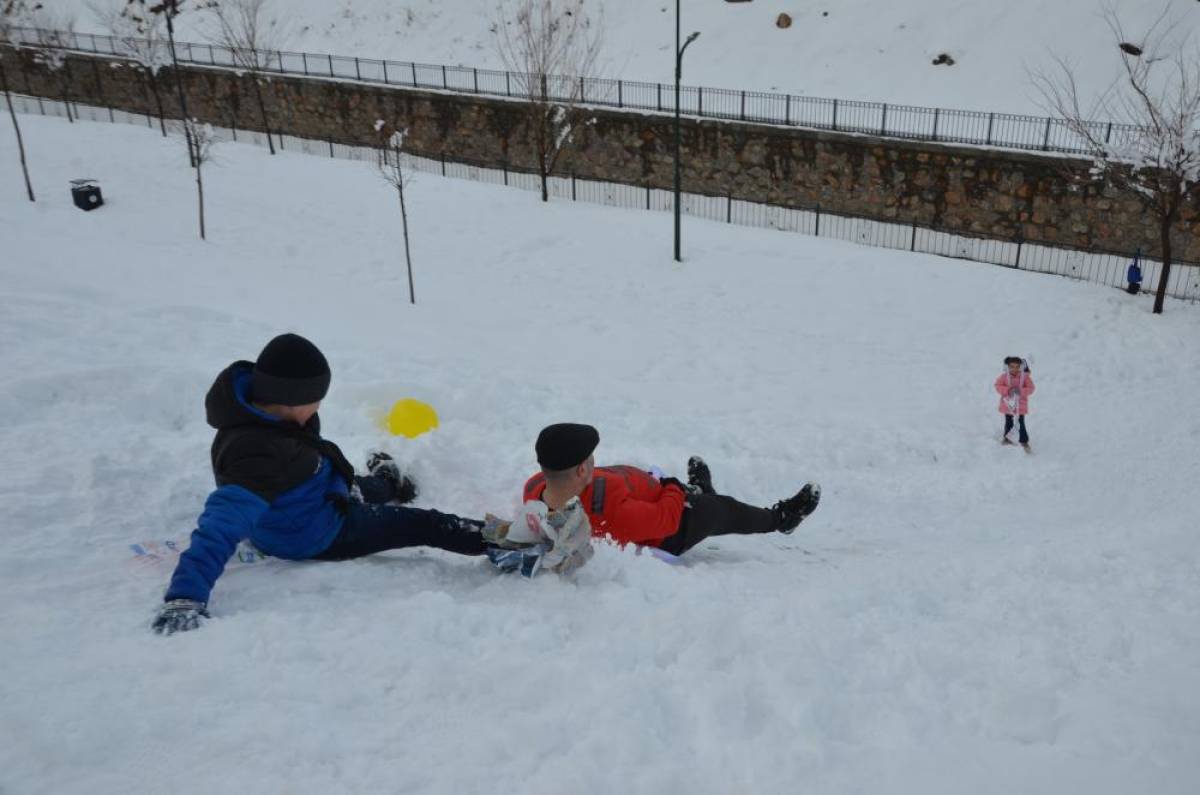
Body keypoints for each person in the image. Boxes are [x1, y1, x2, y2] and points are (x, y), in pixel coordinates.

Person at [152, 333, 488, 635]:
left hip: (316, 493)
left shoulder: (267, 414)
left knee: (367, 488)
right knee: (424, 524)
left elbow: (299, 462)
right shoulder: (254, 457)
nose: (319, 407)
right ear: (291, 400)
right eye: (316, 399)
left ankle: (387, 483)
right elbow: (219, 528)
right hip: (317, 532)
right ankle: (499, 541)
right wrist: (185, 596)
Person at [518, 423, 821, 557]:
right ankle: (781, 519)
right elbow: (667, 519)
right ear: (582, 470)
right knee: (724, 510)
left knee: (695, 495)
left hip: (647, 494)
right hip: (678, 523)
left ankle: (699, 490)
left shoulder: (536, 487)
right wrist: (673, 488)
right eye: (590, 459)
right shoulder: (609, 514)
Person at [994, 356, 1035, 451]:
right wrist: (1008, 390)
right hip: (1008, 405)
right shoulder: (1004, 377)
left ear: (1021, 367)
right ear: (1008, 367)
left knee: (1020, 423)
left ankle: (1024, 441)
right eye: (1012, 367)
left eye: (1017, 367)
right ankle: (1007, 438)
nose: (1014, 369)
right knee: (1008, 421)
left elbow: (1031, 388)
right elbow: (997, 386)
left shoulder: (1025, 377)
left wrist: (1021, 391)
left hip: (1021, 405)